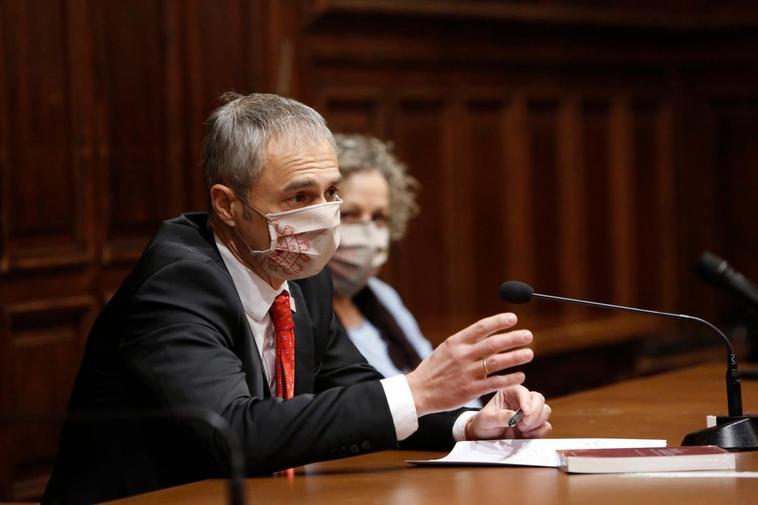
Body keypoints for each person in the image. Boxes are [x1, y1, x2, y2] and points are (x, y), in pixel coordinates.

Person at [43, 93, 551, 504]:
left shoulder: (301, 272)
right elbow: (232, 433)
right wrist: (418, 391)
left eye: (332, 193)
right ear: (226, 205)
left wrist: (467, 423)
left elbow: (350, 386)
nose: (325, 216)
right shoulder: (177, 283)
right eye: (298, 197)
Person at [328, 134, 478, 409]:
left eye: (378, 218)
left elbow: (441, 381)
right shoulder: (301, 311)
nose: (367, 232)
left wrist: (482, 418)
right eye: (349, 214)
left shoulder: (383, 297)